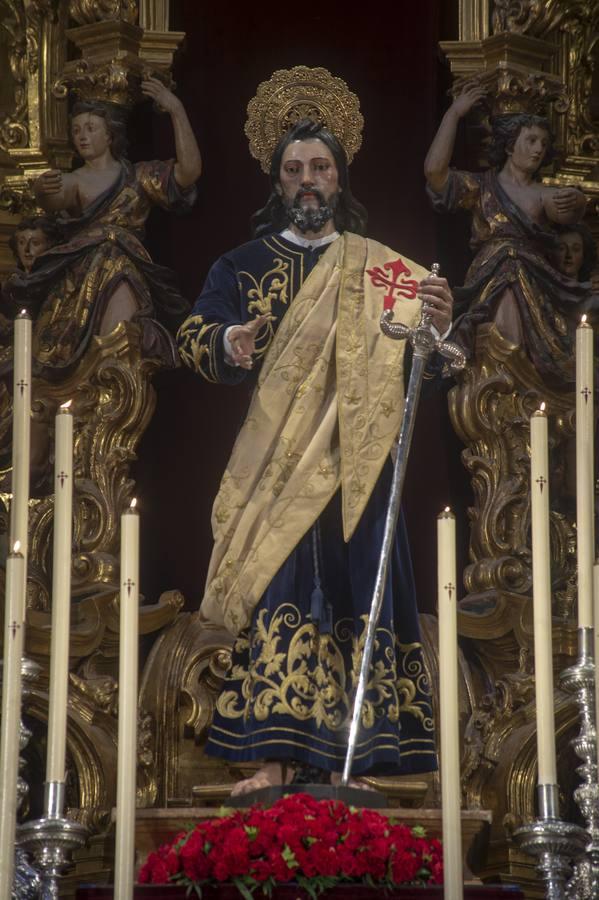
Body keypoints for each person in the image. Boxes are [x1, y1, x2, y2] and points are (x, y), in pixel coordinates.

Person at [178, 108, 454, 796]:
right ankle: (271, 760)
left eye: (320, 169)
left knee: (358, 592)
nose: (308, 182)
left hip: (360, 463)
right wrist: (228, 342)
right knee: (283, 591)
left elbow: (427, 367)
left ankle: (351, 758)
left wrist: (438, 326)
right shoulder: (241, 265)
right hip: (278, 462)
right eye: (294, 170)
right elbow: (194, 336)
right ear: (277, 183)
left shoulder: (384, 271)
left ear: (340, 179)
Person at [1, 76, 201, 377]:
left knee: (119, 342)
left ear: (110, 134)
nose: (82, 136)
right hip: (80, 275)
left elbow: (188, 172)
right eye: (76, 130)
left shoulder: (139, 176)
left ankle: (112, 375)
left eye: (91, 128)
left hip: (122, 266)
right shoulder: (74, 180)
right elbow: (54, 198)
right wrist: (42, 191)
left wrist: (176, 110)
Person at [424, 83, 594, 386]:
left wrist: (578, 202)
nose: (539, 148)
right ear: (508, 145)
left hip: (533, 277)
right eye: (530, 140)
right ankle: (501, 379)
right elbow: (435, 172)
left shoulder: (542, 194)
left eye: (543, 142)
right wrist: (453, 114)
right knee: (500, 325)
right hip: (492, 275)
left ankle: (520, 382)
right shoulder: (480, 186)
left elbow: (566, 210)